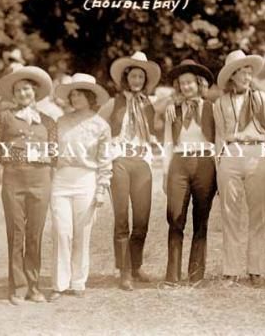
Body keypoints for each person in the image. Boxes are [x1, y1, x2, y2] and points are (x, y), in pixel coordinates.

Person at [0, 63, 57, 305]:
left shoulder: (48, 121)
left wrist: (46, 156)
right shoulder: (4, 117)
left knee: (35, 234)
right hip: (14, 180)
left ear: (35, 92)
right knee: (16, 232)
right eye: (18, 90)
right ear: (13, 94)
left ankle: (34, 286)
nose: (23, 94)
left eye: (27, 89)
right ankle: (17, 287)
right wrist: (9, 156)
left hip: (41, 181)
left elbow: (55, 151)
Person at [98, 51, 160, 291]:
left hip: (142, 161)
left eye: (141, 78)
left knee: (142, 218)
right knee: (122, 217)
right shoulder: (114, 103)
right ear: (126, 78)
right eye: (133, 76)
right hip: (120, 160)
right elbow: (97, 126)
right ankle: (124, 271)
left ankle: (136, 266)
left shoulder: (147, 104)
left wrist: (153, 142)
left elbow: (150, 131)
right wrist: (107, 148)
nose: (137, 81)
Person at [213, 50, 265, 288]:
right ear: (232, 76)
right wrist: (220, 164)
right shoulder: (220, 103)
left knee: (258, 215)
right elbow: (219, 136)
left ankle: (255, 269)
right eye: (241, 72)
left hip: (257, 152)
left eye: (249, 72)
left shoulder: (261, 99)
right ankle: (230, 270)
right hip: (231, 154)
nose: (246, 77)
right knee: (230, 214)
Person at [48, 73, 112, 301]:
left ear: (90, 96)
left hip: (87, 179)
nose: (75, 98)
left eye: (79, 94)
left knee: (82, 233)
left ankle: (78, 282)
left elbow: (105, 160)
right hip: (62, 179)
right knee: (62, 232)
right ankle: (59, 283)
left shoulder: (101, 125)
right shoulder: (61, 121)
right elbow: (52, 152)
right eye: (72, 94)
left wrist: (102, 188)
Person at [162, 60, 217, 285]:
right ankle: (172, 276)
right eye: (182, 83)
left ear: (199, 84)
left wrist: (220, 171)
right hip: (179, 163)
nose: (186, 87)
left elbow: (220, 140)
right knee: (175, 217)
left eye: (190, 83)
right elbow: (167, 141)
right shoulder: (172, 110)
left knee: (200, 219)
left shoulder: (212, 108)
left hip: (205, 163)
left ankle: (196, 275)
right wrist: (166, 174)